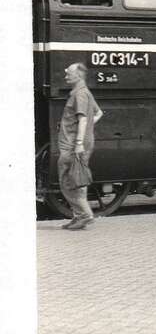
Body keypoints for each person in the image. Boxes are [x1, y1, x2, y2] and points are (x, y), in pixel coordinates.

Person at [58, 63, 103, 230]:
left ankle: (85, 214)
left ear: (78, 76)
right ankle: (79, 216)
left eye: (68, 74)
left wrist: (78, 142)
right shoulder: (84, 92)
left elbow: (83, 119)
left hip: (73, 145)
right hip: (78, 143)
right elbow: (98, 113)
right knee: (77, 179)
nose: (66, 77)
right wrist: (86, 130)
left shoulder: (80, 94)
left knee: (67, 180)